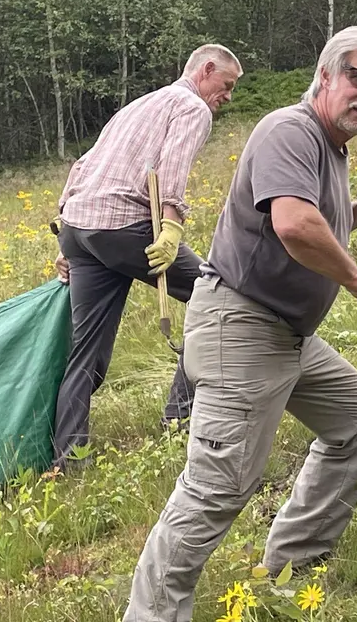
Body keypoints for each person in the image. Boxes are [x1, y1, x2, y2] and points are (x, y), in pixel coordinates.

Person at [124, 26, 357, 622]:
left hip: (286, 334)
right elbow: (295, 227)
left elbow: (316, 217)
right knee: (217, 487)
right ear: (326, 75)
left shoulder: (328, 146)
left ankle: (287, 572)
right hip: (243, 325)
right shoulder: (290, 130)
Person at [50, 44, 243, 468]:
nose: (227, 97)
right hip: (124, 228)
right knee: (220, 296)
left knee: (86, 352)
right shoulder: (192, 107)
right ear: (206, 70)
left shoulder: (141, 104)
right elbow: (172, 169)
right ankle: (180, 417)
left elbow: (83, 163)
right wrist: (171, 226)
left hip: (80, 229)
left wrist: (64, 230)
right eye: (226, 86)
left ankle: (67, 459)